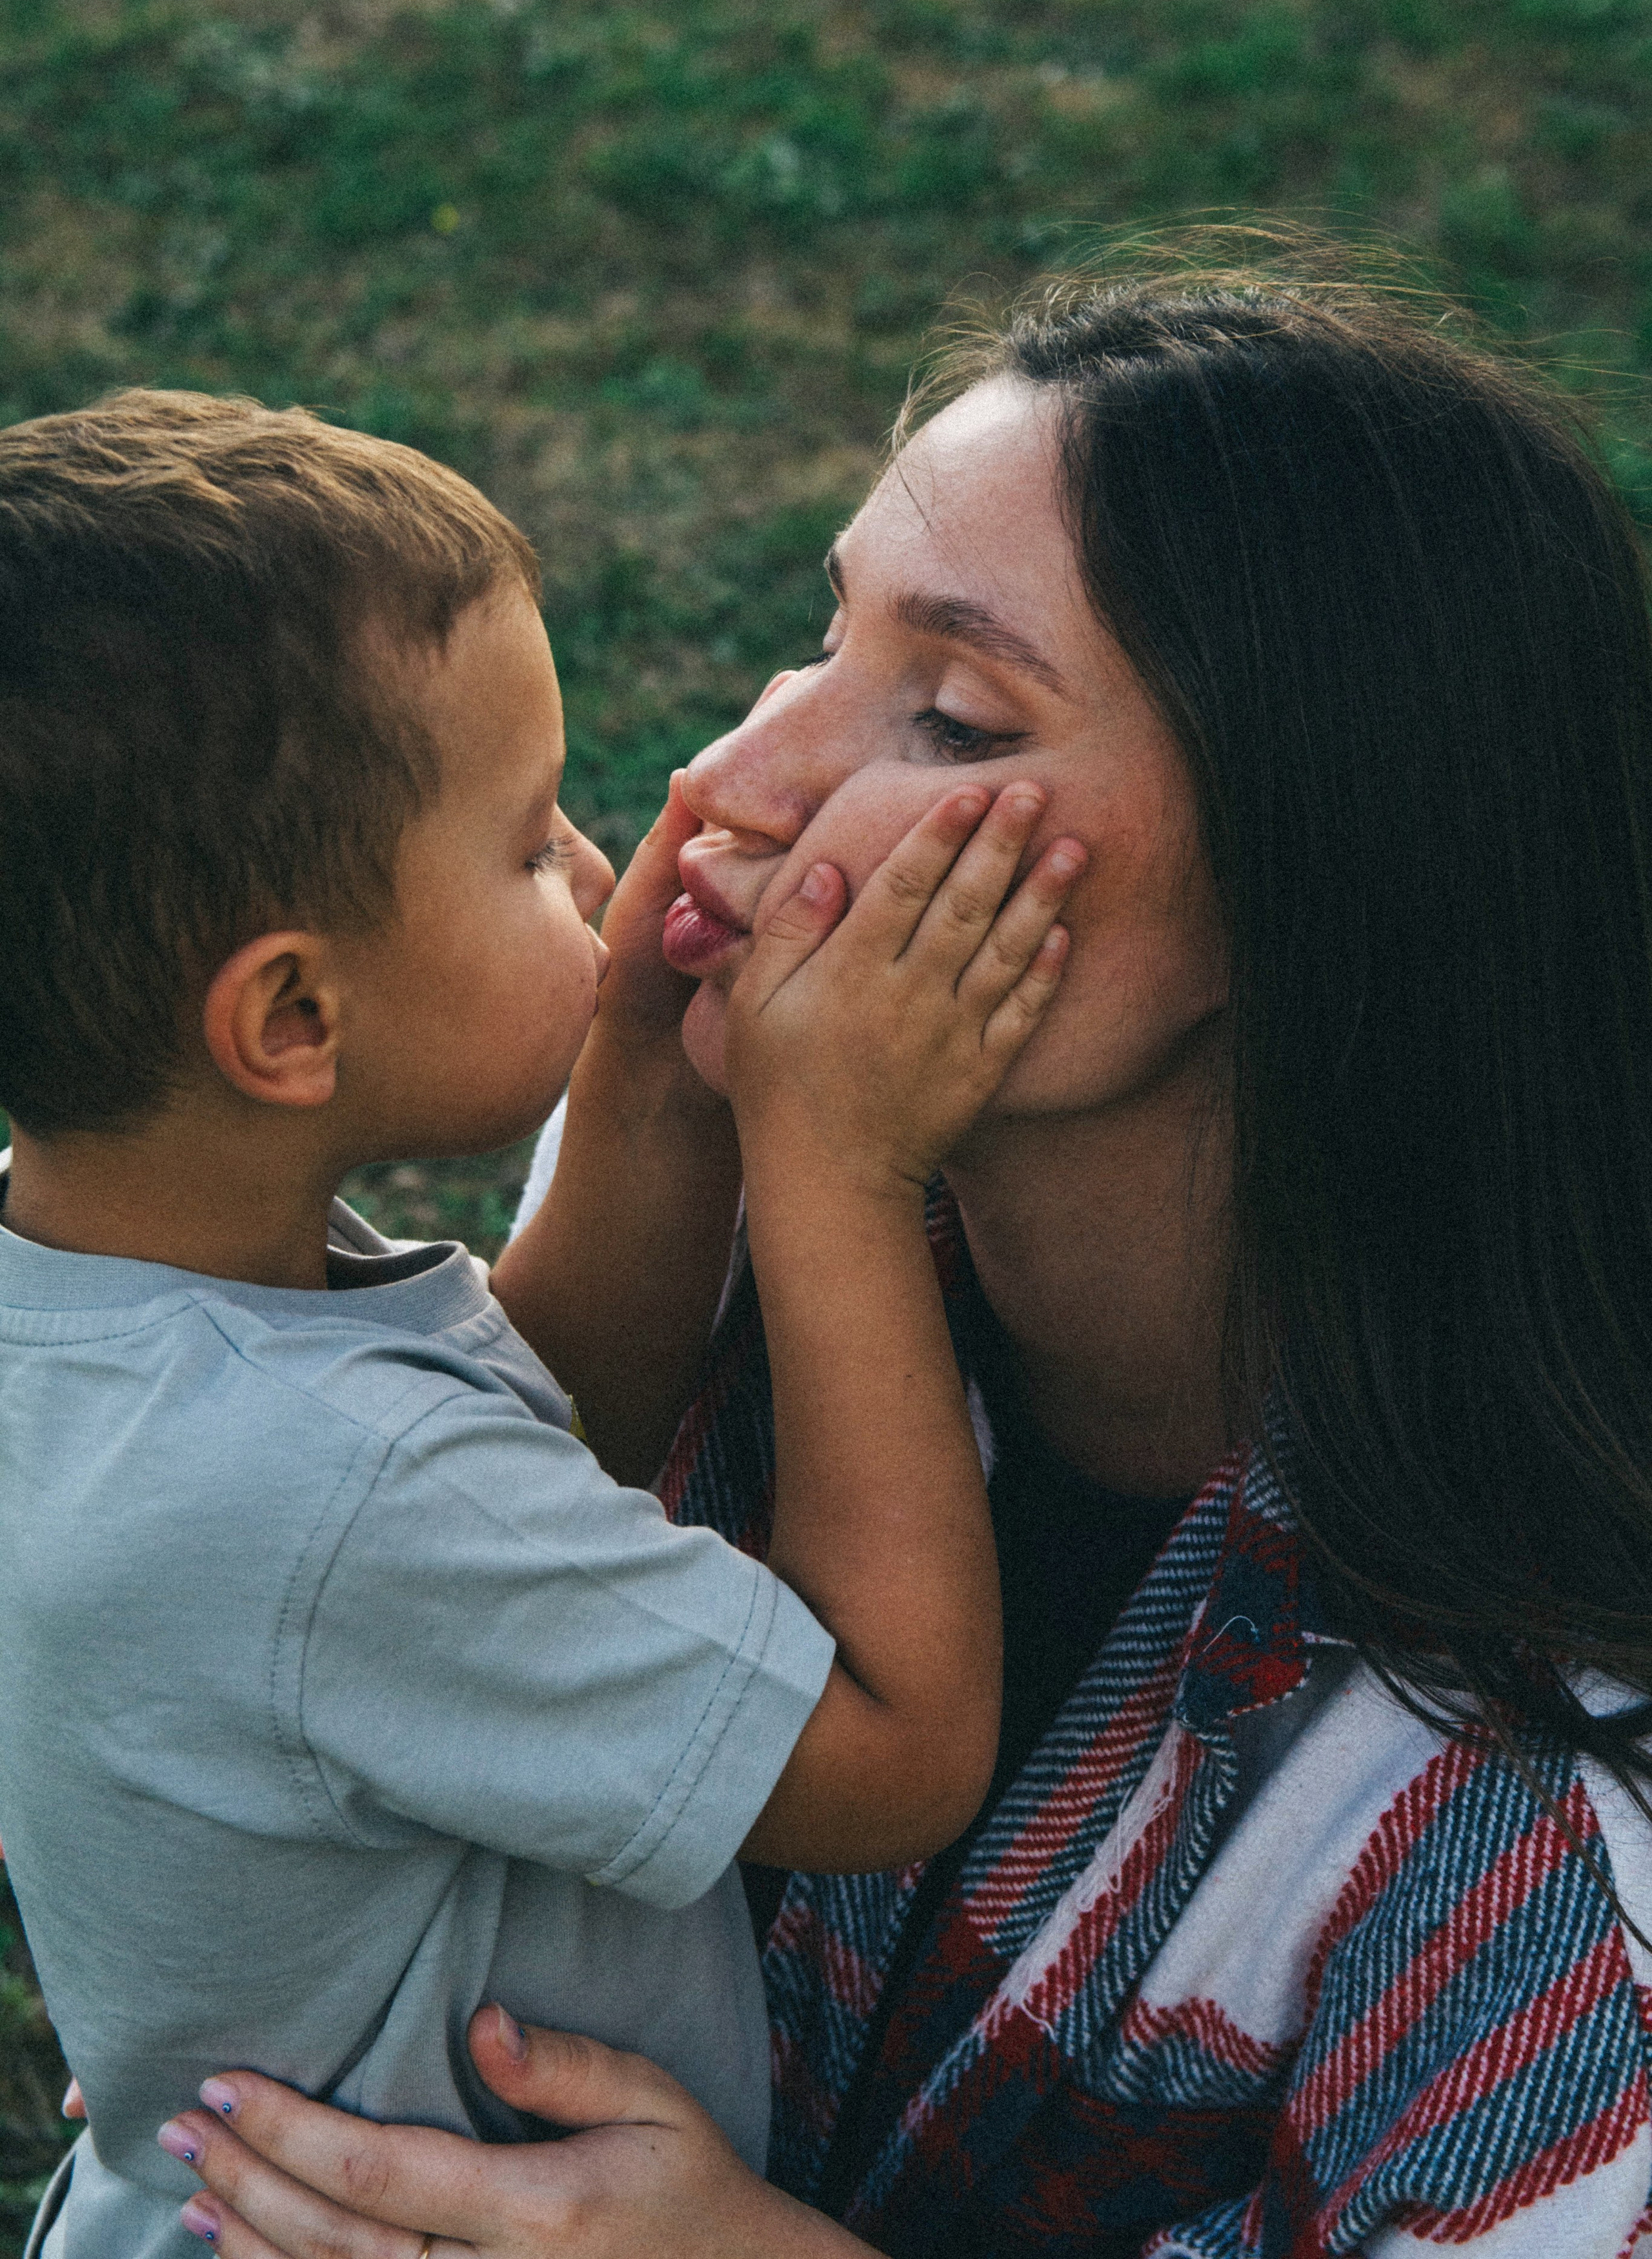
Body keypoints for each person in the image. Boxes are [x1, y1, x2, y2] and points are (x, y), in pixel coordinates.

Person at [156, 246, 1652, 2258]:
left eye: (949, 715)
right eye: (824, 631)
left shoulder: (1548, 1814)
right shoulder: (708, 1232)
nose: (748, 778)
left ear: (1318, 879)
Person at [0, 390, 1091, 2257]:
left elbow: (529, 1444)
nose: (596, 866)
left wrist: (648, 1079)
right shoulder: (328, 1500)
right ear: (290, 1024)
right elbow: (894, 1753)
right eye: (524, 847)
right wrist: (832, 1170)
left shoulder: (121, 1318)